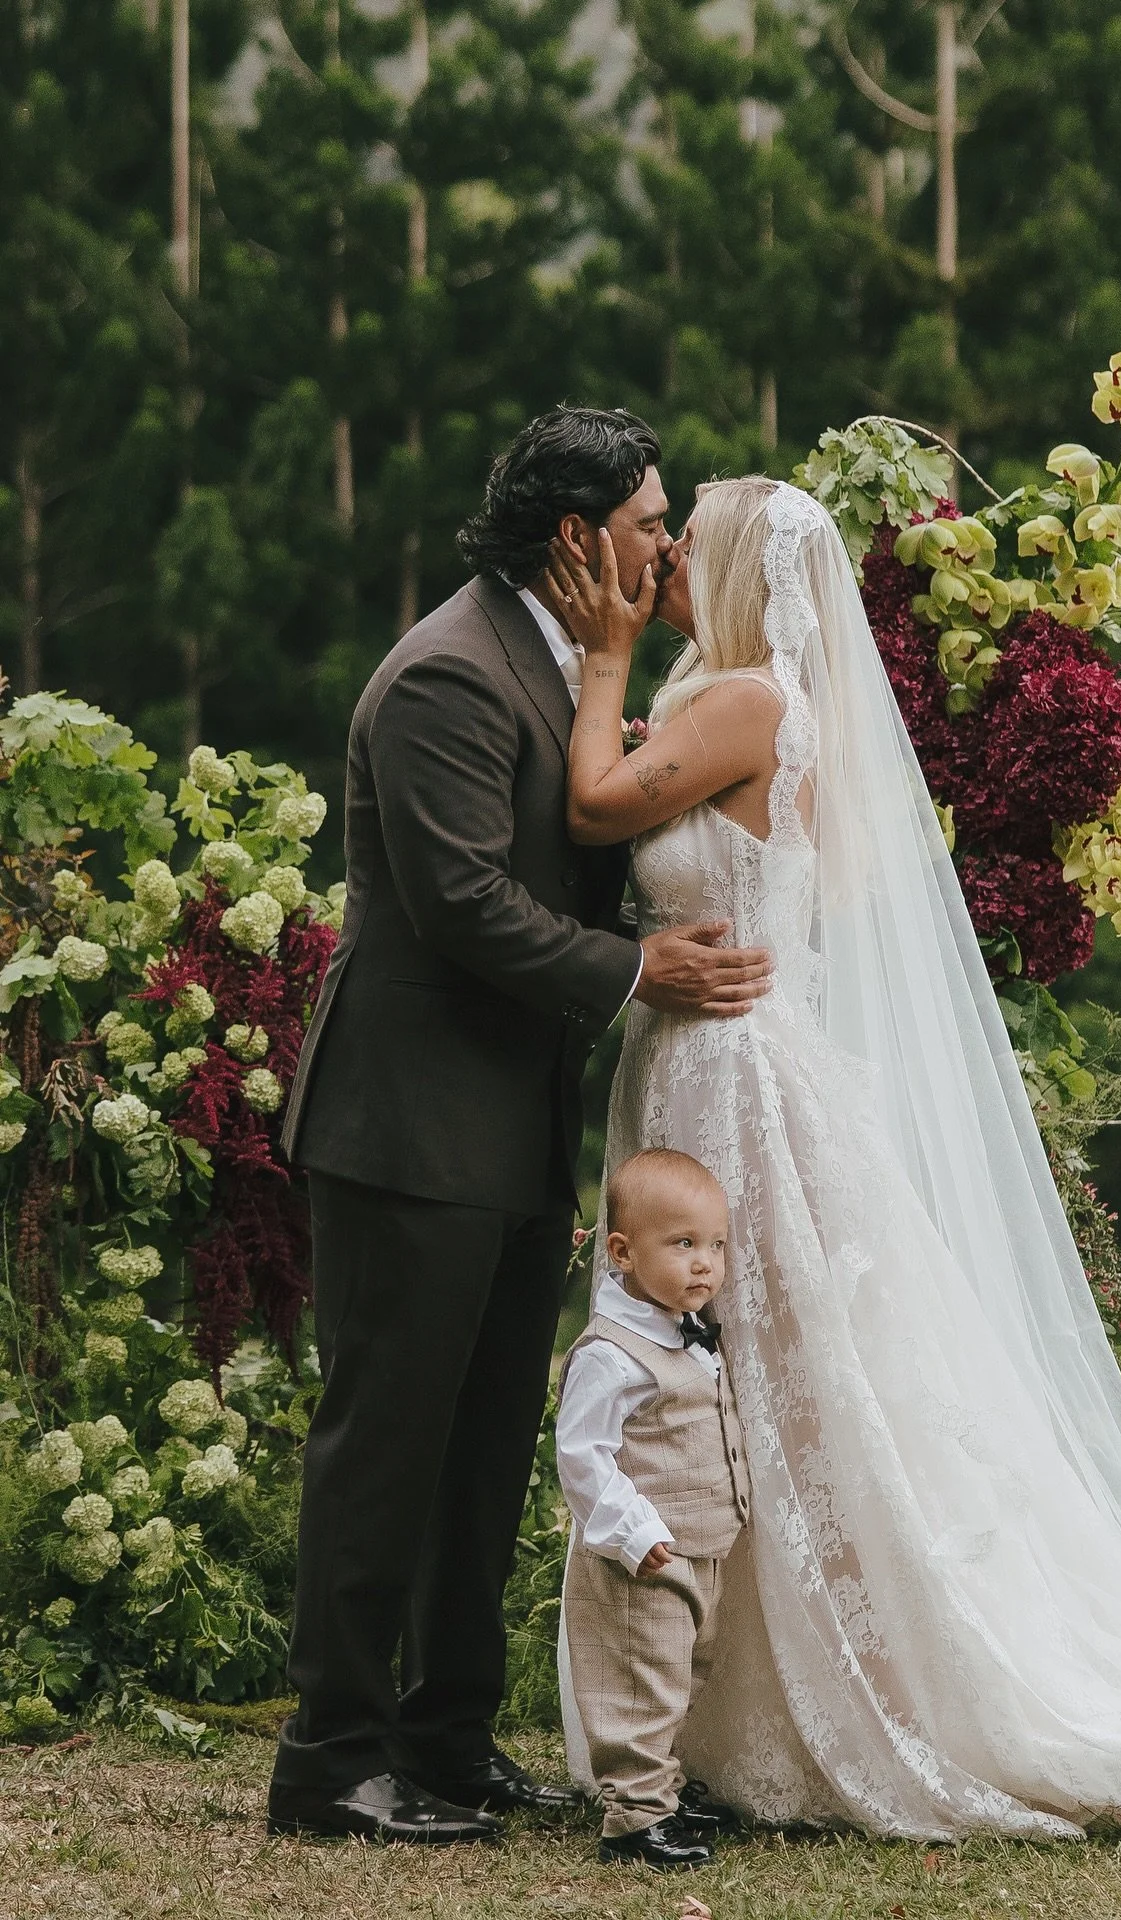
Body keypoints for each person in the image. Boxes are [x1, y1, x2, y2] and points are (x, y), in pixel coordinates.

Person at [550, 474, 1121, 1863]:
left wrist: (602, 666)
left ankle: (823, 1691)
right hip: (721, 1045)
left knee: (772, 1365)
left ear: (732, 566)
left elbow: (602, 806)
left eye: (690, 531)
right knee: (758, 1365)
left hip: (733, 1068)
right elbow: (817, 875)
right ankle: (723, 1702)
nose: (665, 551)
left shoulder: (751, 697)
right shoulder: (744, 692)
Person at [266, 410, 773, 1846]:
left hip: (509, 1124)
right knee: (385, 1452)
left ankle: (445, 1737)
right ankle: (330, 1763)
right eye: (648, 522)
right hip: (407, 1126)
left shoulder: (557, 659)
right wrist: (638, 969)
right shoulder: (443, 676)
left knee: (486, 1450)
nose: (667, 546)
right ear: (576, 539)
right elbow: (462, 905)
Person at [556, 1148, 750, 1870]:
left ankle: (661, 1794)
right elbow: (583, 1456)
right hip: (643, 1555)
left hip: (698, 1547)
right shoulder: (612, 1353)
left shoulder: (685, 1332)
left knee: (682, 1675)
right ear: (622, 1251)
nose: (705, 1263)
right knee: (642, 1685)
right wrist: (632, 1530)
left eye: (715, 1245)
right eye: (682, 1244)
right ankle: (633, 1822)